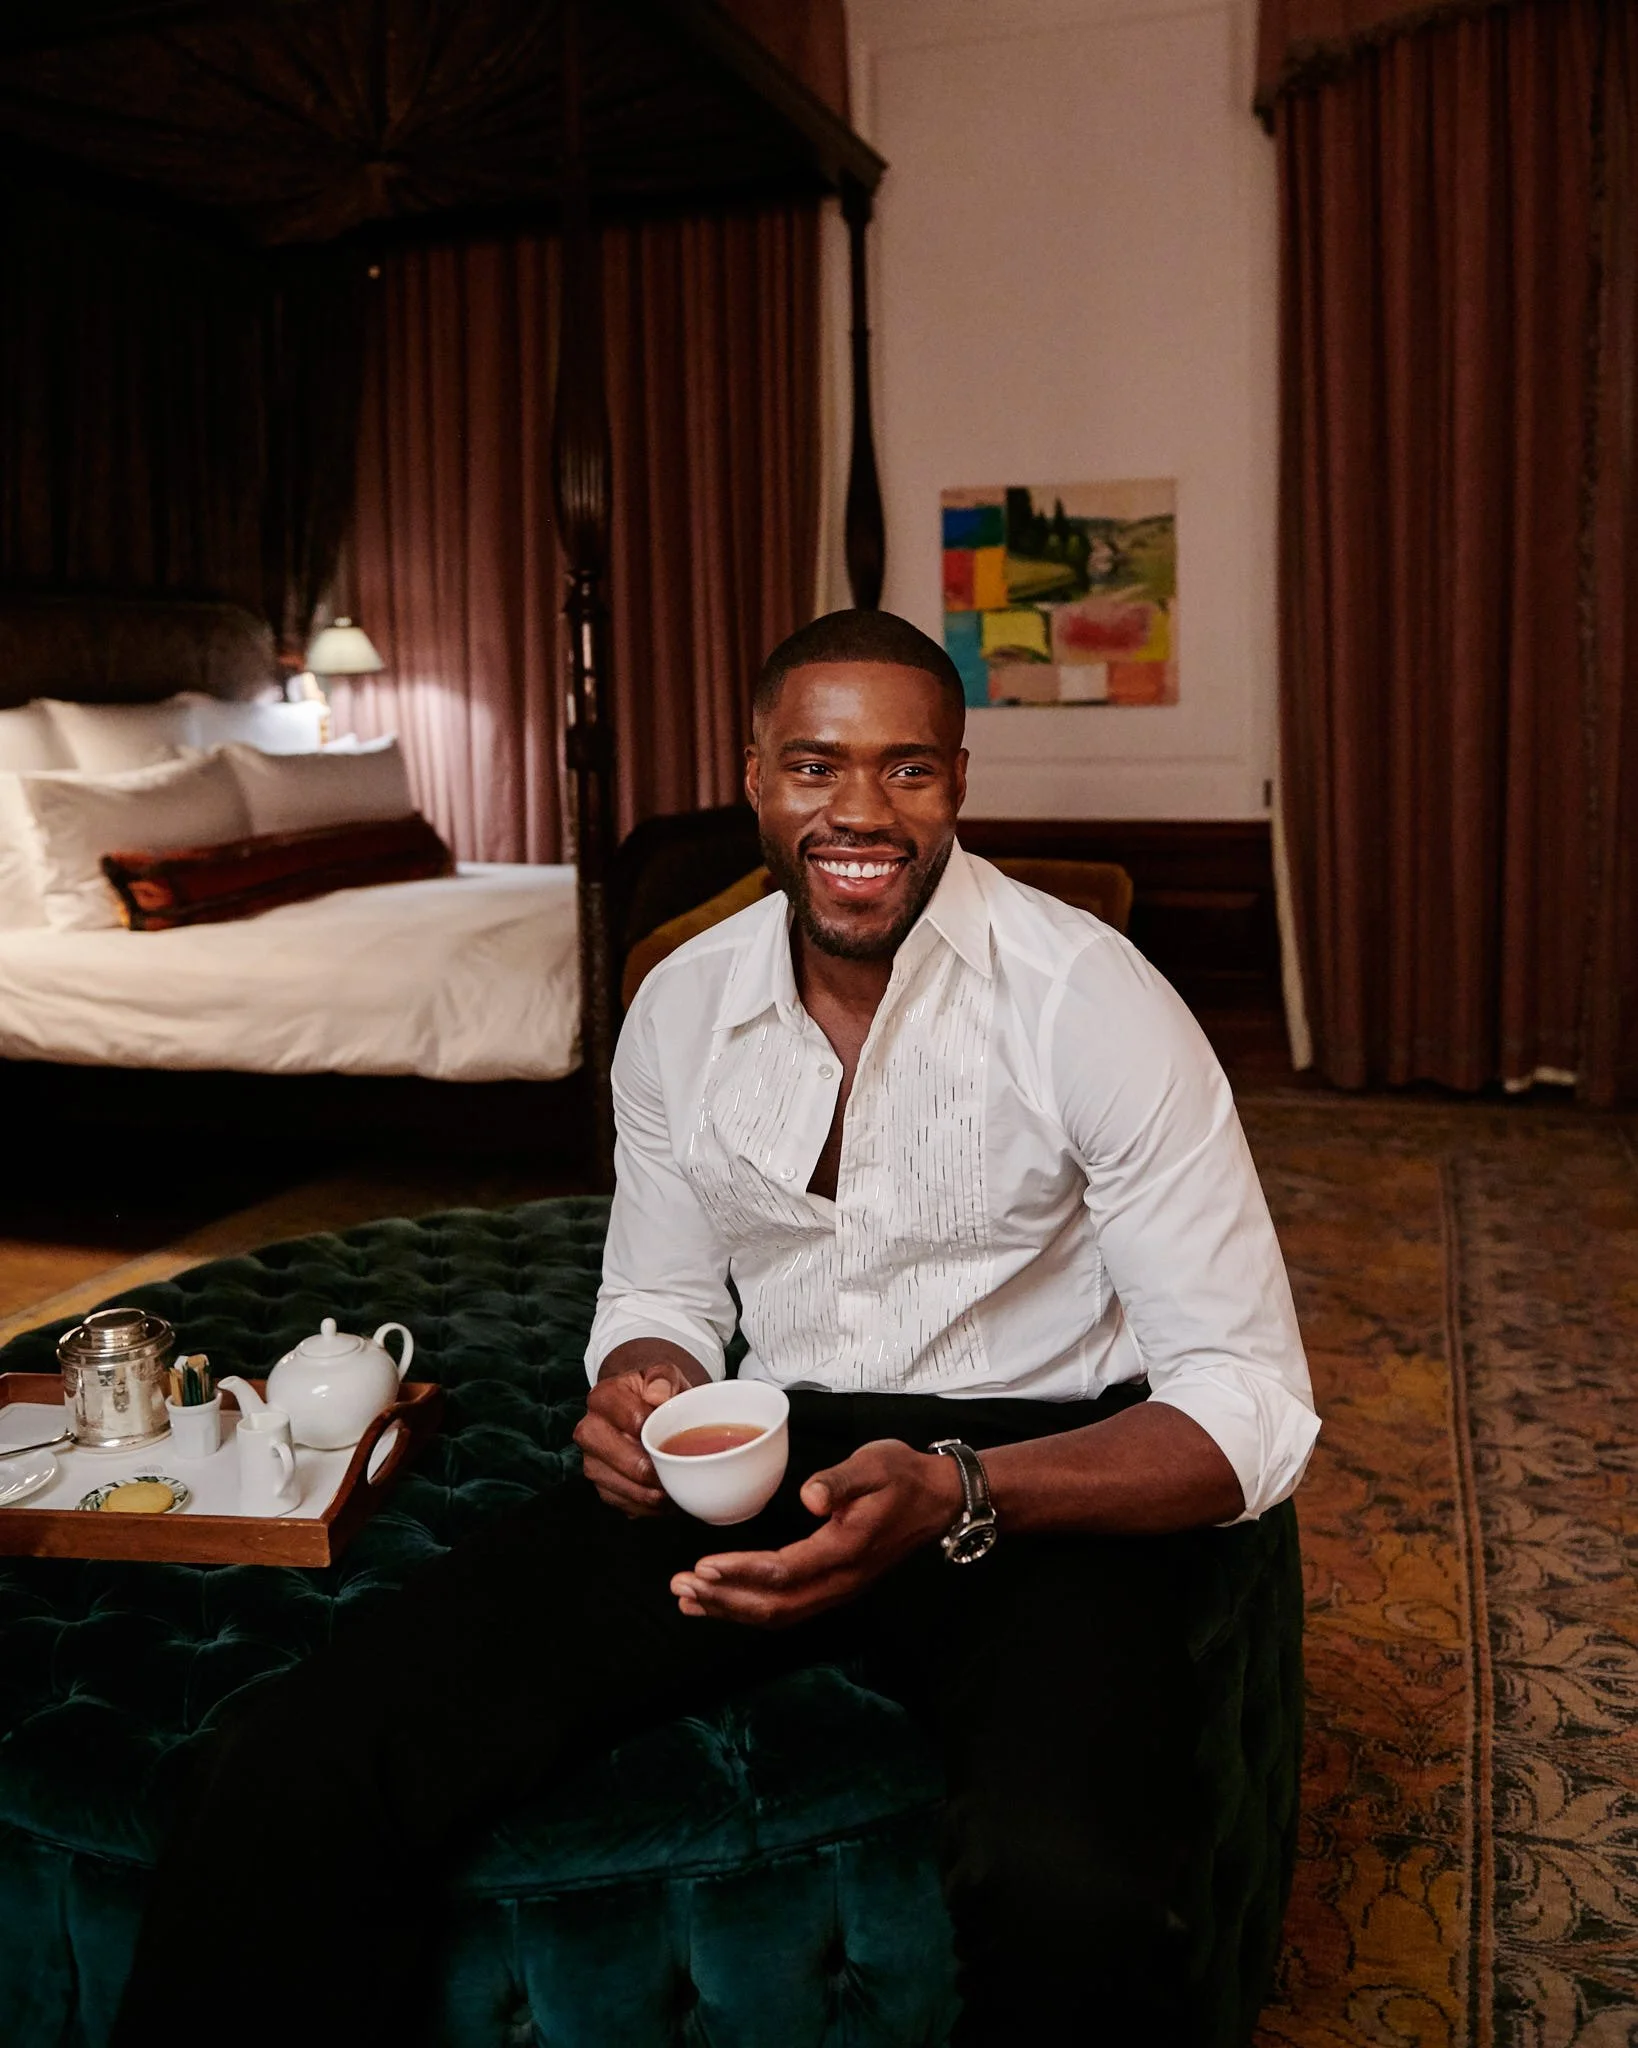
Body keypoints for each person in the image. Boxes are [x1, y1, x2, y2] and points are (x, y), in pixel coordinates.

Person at [113, 608, 1317, 2048]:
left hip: (1027, 1479)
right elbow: (660, 1293)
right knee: (302, 1754)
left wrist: (957, 1489)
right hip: (768, 1443)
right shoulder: (678, 1005)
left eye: (907, 771)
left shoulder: (1093, 1006)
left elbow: (1248, 1398)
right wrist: (645, 1386)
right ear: (751, 775)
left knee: (1073, 1891)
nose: (859, 811)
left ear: (958, 787)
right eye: (814, 764)